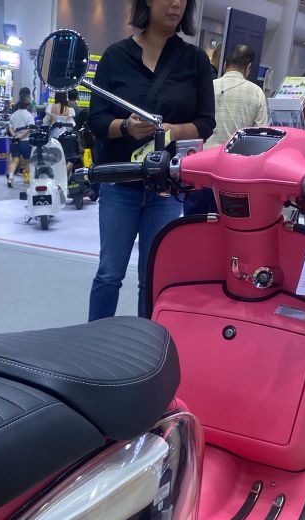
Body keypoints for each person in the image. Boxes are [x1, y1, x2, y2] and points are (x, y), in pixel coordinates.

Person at [87, 0, 215, 321]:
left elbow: (206, 122)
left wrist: (172, 131)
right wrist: (127, 126)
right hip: (121, 185)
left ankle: (147, 350)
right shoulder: (116, 56)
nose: (176, 4)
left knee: (154, 278)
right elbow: (97, 121)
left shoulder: (195, 59)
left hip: (166, 188)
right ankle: (91, 344)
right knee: (109, 274)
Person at [184, 43, 269, 216]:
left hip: (200, 166)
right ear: (248, 68)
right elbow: (262, 137)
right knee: (225, 224)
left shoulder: (207, 86)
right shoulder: (257, 93)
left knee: (193, 221)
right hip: (233, 173)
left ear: (224, 65)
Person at [7, 92, 35, 187]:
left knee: (14, 160)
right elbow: (30, 128)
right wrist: (21, 136)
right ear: (27, 105)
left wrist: (15, 135)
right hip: (25, 142)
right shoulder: (29, 115)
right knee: (27, 162)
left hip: (15, 141)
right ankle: (26, 180)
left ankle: (10, 178)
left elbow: (10, 127)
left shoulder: (14, 115)